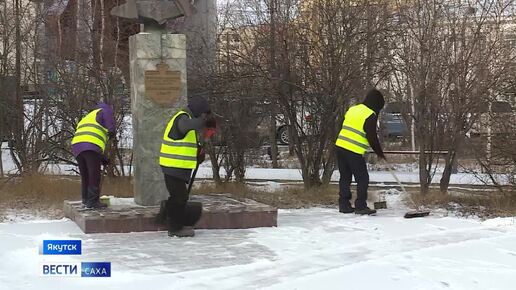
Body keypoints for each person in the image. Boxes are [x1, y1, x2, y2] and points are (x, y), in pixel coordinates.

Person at [157, 96, 216, 237]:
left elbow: (184, 144)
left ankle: (166, 216)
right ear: (198, 110)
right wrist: (204, 122)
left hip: (177, 166)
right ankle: (175, 228)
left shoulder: (187, 118)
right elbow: (186, 126)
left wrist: (198, 154)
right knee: (180, 197)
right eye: (203, 113)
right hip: (172, 166)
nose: (203, 116)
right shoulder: (182, 118)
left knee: (179, 197)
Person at [335, 89, 386, 215]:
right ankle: (360, 206)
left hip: (340, 146)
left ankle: (344, 205)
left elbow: (341, 125)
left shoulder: (353, 109)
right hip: (353, 150)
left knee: (345, 177)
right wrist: (380, 152)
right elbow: (372, 137)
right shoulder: (370, 115)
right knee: (362, 178)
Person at [71, 102, 116, 209]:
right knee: (94, 175)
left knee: (86, 175)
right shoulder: (104, 109)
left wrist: (102, 158)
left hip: (77, 147)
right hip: (90, 147)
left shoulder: (88, 116)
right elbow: (109, 123)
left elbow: (90, 137)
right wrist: (112, 130)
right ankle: (93, 202)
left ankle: (86, 199)